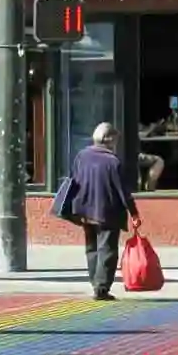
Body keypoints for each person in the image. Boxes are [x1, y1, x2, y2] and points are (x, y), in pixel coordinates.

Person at [68, 123, 142, 300]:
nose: (116, 143)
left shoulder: (81, 156)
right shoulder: (113, 161)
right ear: (109, 139)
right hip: (107, 212)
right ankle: (101, 289)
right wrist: (134, 213)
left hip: (85, 211)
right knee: (107, 250)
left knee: (91, 248)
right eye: (115, 139)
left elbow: (73, 181)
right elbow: (123, 192)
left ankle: (96, 283)